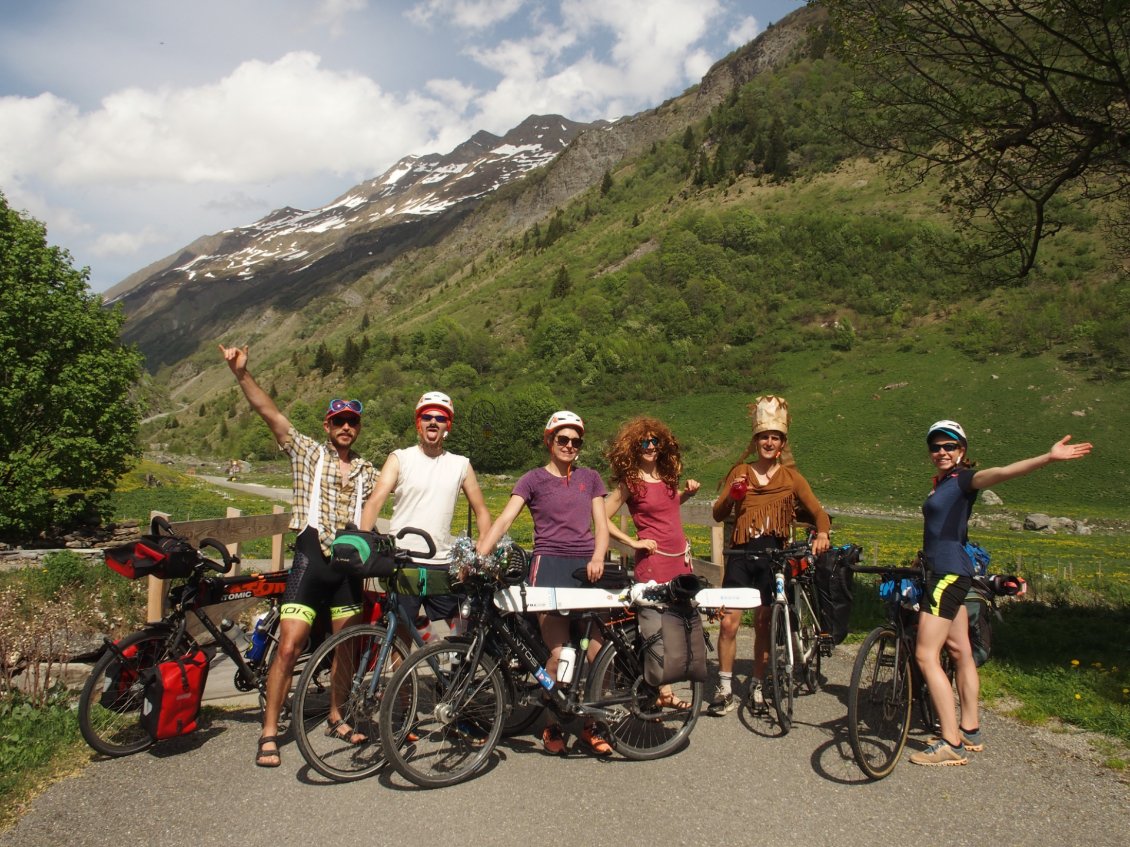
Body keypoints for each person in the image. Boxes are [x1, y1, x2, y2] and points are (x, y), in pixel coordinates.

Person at [219, 344, 379, 768]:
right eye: (339, 420)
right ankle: (270, 731)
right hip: (310, 561)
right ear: (328, 425)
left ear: (358, 429)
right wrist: (242, 374)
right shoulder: (307, 453)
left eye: (352, 422)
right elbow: (270, 414)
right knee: (289, 647)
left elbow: (413, 483)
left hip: (348, 571)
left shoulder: (369, 470)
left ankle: (336, 714)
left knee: (345, 648)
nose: (346, 427)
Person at [910, 421, 1092, 766]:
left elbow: (1003, 472)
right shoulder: (944, 483)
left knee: (925, 655)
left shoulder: (964, 479)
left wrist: (1047, 458)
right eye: (936, 447)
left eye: (949, 446)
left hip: (947, 575)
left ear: (962, 449)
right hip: (951, 570)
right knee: (959, 648)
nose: (942, 452)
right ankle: (970, 729)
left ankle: (950, 743)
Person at [476, 410, 611, 756]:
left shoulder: (591, 478)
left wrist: (598, 558)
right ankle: (553, 722)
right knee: (560, 655)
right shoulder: (532, 480)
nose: (569, 446)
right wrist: (481, 555)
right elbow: (505, 519)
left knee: (597, 652)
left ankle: (591, 724)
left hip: (585, 568)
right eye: (562, 440)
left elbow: (601, 525)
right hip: (548, 566)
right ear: (549, 441)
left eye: (575, 442)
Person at [708, 395, 830, 716]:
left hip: (773, 558)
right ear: (756, 440)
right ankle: (724, 686)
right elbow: (718, 514)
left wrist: (823, 534)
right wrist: (733, 496)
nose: (769, 442)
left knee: (763, 623)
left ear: (782, 443)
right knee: (730, 624)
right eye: (764, 437)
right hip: (741, 553)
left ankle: (758, 685)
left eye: (775, 437)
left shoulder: (792, 478)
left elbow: (818, 512)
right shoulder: (741, 471)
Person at [359, 391, 492, 641]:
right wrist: (366, 543)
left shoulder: (461, 464)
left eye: (440, 418)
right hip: (403, 559)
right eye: (426, 417)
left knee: (462, 623)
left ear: (447, 426)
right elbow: (375, 501)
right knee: (401, 633)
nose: (433, 422)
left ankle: (455, 674)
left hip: (442, 562)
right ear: (418, 423)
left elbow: (482, 510)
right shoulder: (400, 458)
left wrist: (479, 554)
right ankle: (407, 681)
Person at [604, 417, 700, 709]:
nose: (650, 447)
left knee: (677, 625)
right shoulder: (630, 483)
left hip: (678, 559)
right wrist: (632, 542)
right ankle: (655, 692)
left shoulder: (668, 477)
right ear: (634, 447)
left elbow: (665, 510)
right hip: (654, 562)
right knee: (655, 628)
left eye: (654, 441)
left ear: (662, 445)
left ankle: (666, 692)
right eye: (643, 442)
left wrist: (685, 495)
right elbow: (598, 516)